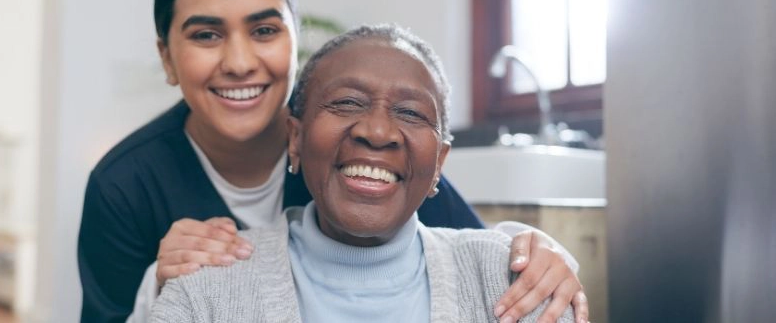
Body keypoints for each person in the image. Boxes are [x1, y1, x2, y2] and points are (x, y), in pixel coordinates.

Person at [78, 0, 588, 323]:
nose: (238, 61)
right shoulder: (124, 183)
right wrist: (158, 286)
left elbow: (472, 259)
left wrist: (539, 250)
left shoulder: (357, 151)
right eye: (206, 35)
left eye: (264, 31)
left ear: (294, 42)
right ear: (167, 58)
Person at [151, 24, 575, 323]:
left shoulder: (517, 284)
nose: (377, 132)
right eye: (347, 103)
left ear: (439, 164)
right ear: (295, 138)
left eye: (410, 112)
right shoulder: (206, 290)